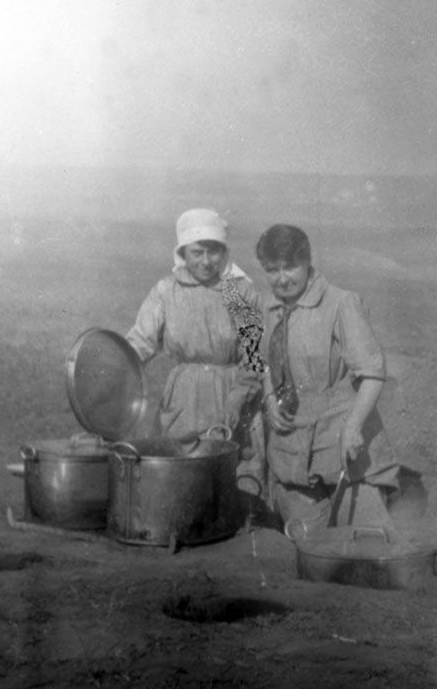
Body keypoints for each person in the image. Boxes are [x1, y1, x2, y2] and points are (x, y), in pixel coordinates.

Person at [255, 224, 399, 535]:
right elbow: (264, 361)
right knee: (307, 548)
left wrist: (353, 426)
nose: (282, 278)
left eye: (290, 267)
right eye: (272, 270)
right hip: (292, 447)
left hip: (344, 439)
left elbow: (372, 373)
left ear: (307, 262)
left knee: (364, 545)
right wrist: (269, 397)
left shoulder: (340, 303)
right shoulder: (268, 308)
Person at [125, 208, 264, 472]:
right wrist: (113, 367)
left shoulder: (241, 292)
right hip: (183, 399)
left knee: (233, 473)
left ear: (224, 252)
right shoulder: (167, 291)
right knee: (180, 473)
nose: (206, 261)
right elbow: (140, 341)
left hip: (232, 394)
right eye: (197, 253)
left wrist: (236, 402)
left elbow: (254, 360)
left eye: (213, 251)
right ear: (182, 253)